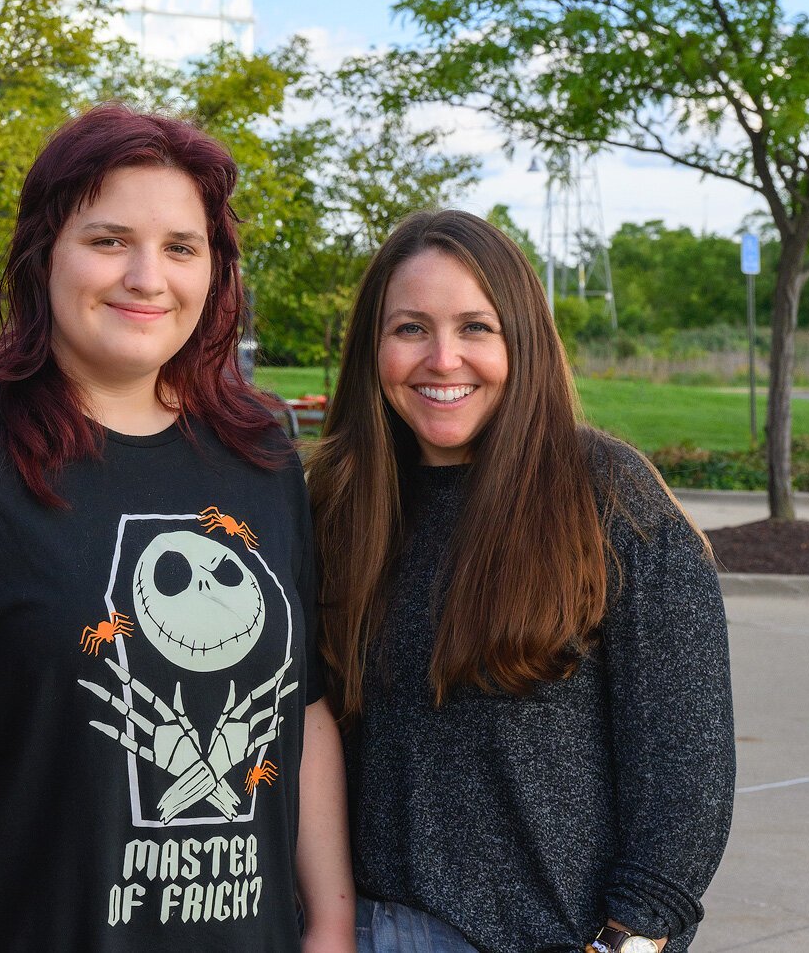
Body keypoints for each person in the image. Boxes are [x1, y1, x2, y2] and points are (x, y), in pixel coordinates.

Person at [0, 104, 355, 952]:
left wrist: (332, 925)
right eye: (108, 240)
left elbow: (301, 709)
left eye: (180, 248)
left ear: (215, 271)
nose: (146, 277)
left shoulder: (260, 453)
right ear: (43, 252)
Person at [307, 210, 734, 953]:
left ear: (524, 341)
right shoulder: (338, 503)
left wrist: (624, 946)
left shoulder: (607, 499)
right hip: (356, 931)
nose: (443, 359)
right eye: (411, 328)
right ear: (372, 347)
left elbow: (686, 779)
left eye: (477, 327)